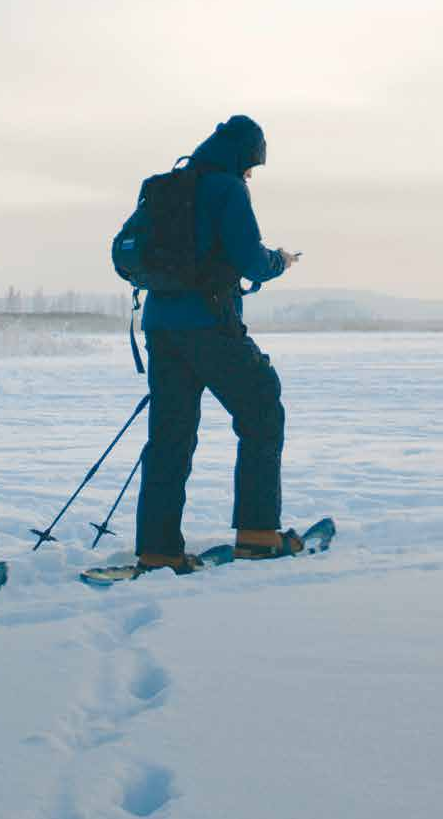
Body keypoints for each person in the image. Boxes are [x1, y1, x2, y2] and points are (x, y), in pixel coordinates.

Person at [134, 115, 303, 570]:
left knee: (170, 434)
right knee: (262, 405)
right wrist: (280, 261)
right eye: (253, 165)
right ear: (243, 158)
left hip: (161, 326)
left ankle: (157, 548)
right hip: (209, 324)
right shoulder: (227, 189)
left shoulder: (169, 185)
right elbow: (251, 258)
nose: (252, 174)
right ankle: (258, 533)